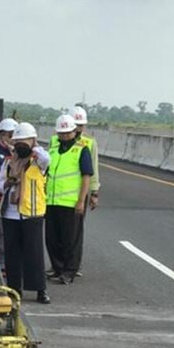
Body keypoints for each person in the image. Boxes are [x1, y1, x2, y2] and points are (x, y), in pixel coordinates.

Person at [0, 123, 51, 304]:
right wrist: (9, 183)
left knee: (34, 253)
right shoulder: (9, 161)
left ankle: (40, 290)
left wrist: (32, 148)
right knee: (13, 253)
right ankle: (14, 289)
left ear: (33, 140)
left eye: (24, 141)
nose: (21, 145)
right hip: (10, 214)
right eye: (18, 141)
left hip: (32, 213)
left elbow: (46, 159)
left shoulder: (38, 160)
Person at [45, 114, 93, 285]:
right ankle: (57, 268)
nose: (64, 136)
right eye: (61, 133)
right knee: (52, 238)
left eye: (67, 133)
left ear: (74, 131)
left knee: (71, 240)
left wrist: (81, 200)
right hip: (51, 202)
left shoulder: (81, 150)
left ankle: (69, 271)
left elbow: (86, 176)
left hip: (71, 203)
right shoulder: (52, 151)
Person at [71, 105, 100, 277]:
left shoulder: (89, 143)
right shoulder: (56, 140)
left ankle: (74, 266)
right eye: (76, 125)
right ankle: (58, 265)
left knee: (76, 232)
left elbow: (93, 170)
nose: (79, 129)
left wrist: (94, 193)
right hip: (58, 195)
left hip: (79, 193)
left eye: (81, 126)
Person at [0, 117, 18, 272]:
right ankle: (1, 263)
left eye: (14, 135)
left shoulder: (20, 154)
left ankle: (15, 262)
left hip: (16, 200)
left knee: (14, 234)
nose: (11, 139)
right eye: (9, 135)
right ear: (1, 135)